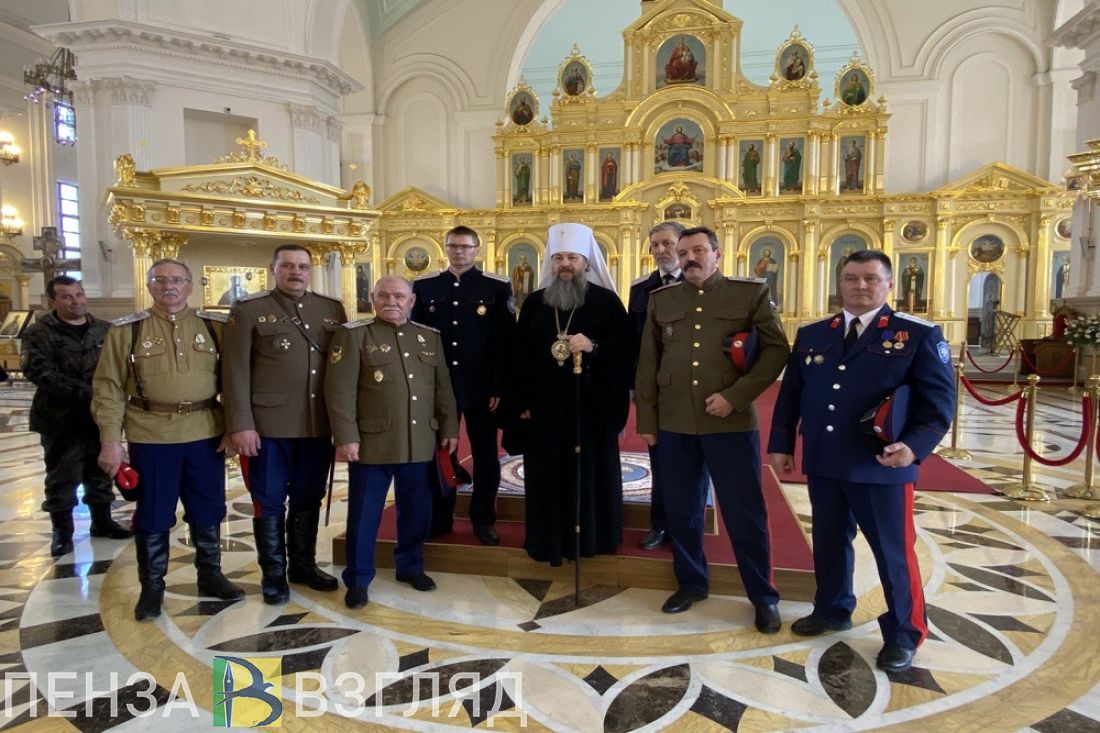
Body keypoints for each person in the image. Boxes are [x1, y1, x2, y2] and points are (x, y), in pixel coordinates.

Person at [768, 249, 955, 673]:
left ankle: (905, 632)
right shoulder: (815, 333)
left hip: (881, 464)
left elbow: (939, 404)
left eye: (871, 278)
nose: (860, 286)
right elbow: (791, 394)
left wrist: (914, 448)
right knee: (829, 541)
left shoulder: (917, 335)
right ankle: (832, 608)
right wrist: (781, 444)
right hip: (825, 459)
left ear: (889, 284)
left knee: (893, 552)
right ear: (840, 283)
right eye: (852, 278)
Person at [635, 226, 790, 631]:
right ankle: (691, 583)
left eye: (699, 250)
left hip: (731, 423)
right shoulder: (662, 299)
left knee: (744, 512)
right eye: (684, 252)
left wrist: (736, 397)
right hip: (674, 422)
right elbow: (648, 362)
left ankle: (763, 596)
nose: (690, 258)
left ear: (717, 254)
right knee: (682, 511)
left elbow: (776, 350)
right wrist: (647, 421)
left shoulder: (748, 294)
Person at [93, 259, 243, 621]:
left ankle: (210, 575)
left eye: (176, 280)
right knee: (154, 513)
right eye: (160, 280)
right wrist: (111, 441)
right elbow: (108, 387)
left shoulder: (214, 327)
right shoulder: (127, 331)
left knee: (208, 508)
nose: (169, 286)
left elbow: (235, 382)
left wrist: (234, 426)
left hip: (205, 432)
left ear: (190, 286)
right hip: (152, 434)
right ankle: (152, 588)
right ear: (149, 286)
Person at [222, 244, 347, 605]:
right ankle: (274, 575)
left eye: (303, 266)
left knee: (309, 496)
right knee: (269, 500)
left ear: (311, 271)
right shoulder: (248, 309)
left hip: (317, 425)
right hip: (268, 427)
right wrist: (241, 424)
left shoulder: (331, 309)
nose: (296, 272)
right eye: (288, 266)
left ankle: (303, 566)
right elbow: (234, 371)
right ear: (273, 269)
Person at [325, 275, 459, 609]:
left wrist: (449, 428)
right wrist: (346, 436)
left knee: (416, 512)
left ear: (411, 301)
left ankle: (410, 567)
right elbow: (339, 392)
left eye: (399, 296)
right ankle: (358, 579)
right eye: (384, 295)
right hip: (373, 443)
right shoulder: (354, 335)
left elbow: (442, 387)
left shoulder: (429, 337)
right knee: (364, 515)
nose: (392, 302)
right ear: (373, 299)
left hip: (419, 441)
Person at [513, 223, 631, 565]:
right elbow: (517, 356)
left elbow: (626, 352)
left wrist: (594, 346)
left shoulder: (606, 302)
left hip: (590, 410)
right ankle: (546, 541)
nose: (565, 264)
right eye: (559, 257)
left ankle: (593, 539)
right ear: (551, 262)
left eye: (573, 258)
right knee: (545, 476)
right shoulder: (535, 303)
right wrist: (522, 402)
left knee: (590, 475)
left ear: (586, 263)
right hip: (544, 411)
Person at [412, 226, 516, 545]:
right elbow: (416, 335)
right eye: (453, 246)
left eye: (465, 247)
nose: (459, 251)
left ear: (476, 250)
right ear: (445, 248)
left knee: (485, 454)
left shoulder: (496, 286)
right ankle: (440, 517)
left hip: (481, 386)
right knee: (442, 452)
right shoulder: (426, 286)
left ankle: (483, 518)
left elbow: (505, 340)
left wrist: (498, 384)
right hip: (439, 385)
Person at [22, 276, 130, 557]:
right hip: (60, 417)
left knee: (102, 471)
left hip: (100, 417)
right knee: (63, 475)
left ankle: (102, 521)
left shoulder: (104, 330)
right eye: (67, 296)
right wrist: (91, 392)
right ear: (53, 301)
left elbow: (119, 367)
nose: (76, 301)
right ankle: (62, 531)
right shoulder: (39, 333)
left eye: (79, 294)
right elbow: (39, 372)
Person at [628, 222, 687, 551]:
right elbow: (633, 341)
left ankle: (686, 528)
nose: (661, 250)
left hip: (692, 387)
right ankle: (660, 524)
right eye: (655, 245)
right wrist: (633, 386)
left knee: (692, 464)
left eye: (667, 243)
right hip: (655, 390)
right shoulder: (641, 289)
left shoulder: (698, 282)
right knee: (660, 460)